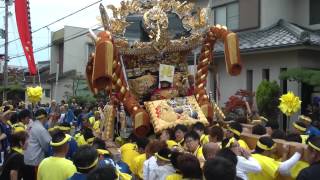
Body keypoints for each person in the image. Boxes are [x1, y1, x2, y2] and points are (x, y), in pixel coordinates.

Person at [24, 109, 52, 179]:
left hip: (27, 159)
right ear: (45, 117)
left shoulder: (31, 125)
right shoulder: (40, 129)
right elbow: (47, 145)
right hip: (35, 162)